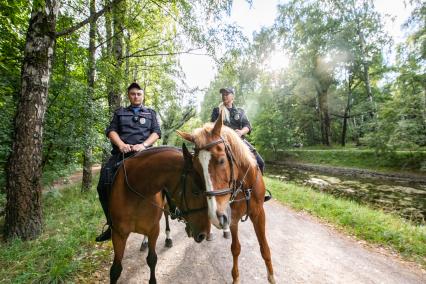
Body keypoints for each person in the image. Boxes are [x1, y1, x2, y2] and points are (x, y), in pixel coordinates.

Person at [95, 82, 161, 242]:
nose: (136, 96)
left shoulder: (150, 113)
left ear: (143, 95)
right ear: (128, 96)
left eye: (138, 94)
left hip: (145, 154)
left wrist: (144, 145)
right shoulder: (120, 113)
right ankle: (111, 225)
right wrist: (121, 145)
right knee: (103, 184)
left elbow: (157, 133)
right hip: (121, 155)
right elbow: (111, 131)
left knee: (166, 179)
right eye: (133, 94)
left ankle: (175, 212)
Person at [210, 87, 265, 173]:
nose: (224, 96)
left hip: (240, 141)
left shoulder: (240, 111)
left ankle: (256, 186)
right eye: (223, 94)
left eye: (226, 94)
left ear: (233, 97)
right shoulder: (217, 110)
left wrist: (241, 132)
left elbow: (248, 126)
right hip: (223, 142)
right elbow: (213, 128)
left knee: (260, 163)